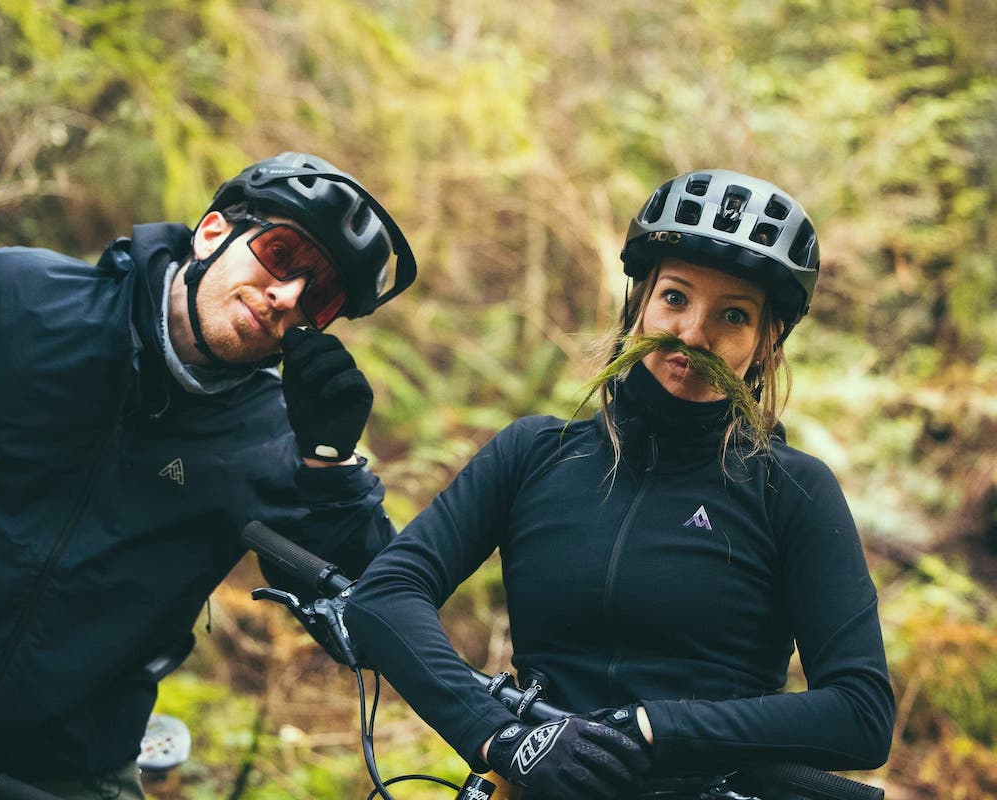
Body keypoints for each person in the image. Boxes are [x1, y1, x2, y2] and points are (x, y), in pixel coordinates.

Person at [0, 151, 416, 799]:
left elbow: (370, 625)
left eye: (320, 295)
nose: (288, 295)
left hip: (66, 780)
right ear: (212, 233)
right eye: (281, 254)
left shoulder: (272, 438)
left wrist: (332, 463)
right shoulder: (5, 298)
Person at [344, 169, 895, 799]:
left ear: (765, 346)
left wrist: (656, 727)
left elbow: (861, 713)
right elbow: (383, 595)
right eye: (676, 297)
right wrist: (503, 738)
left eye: (733, 315)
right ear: (638, 301)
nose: (691, 334)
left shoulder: (790, 490)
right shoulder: (533, 453)